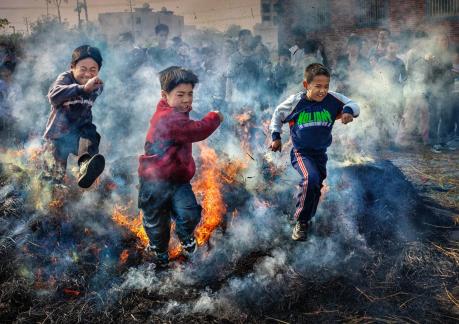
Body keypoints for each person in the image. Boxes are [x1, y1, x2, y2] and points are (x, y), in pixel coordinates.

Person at [138, 66, 224, 268]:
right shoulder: (166, 117)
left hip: (177, 180)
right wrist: (215, 117)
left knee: (189, 213)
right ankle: (159, 252)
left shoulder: (176, 111)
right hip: (154, 182)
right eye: (180, 95)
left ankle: (185, 236)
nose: (187, 99)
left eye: (190, 94)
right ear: (164, 95)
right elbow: (196, 131)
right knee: (157, 223)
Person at [269, 63, 360, 241]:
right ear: (306, 85)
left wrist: (348, 111)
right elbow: (278, 114)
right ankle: (300, 222)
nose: (322, 91)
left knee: (316, 187)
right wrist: (276, 137)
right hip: (301, 153)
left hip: (321, 154)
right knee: (310, 179)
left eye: (326, 86)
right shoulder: (296, 102)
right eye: (317, 86)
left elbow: (354, 104)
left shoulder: (333, 99)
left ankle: (308, 219)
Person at [43, 45, 105, 188]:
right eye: (83, 69)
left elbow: (86, 107)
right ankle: (50, 196)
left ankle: (85, 164)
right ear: (72, 67)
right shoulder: (66, 78)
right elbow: (53, 96)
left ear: (98, 71)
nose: (88, 74)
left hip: (79, 133)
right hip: (58, 134)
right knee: (54, 177)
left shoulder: (98, 86)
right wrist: (82, 88)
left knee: (91, 132)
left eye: (93, 70)